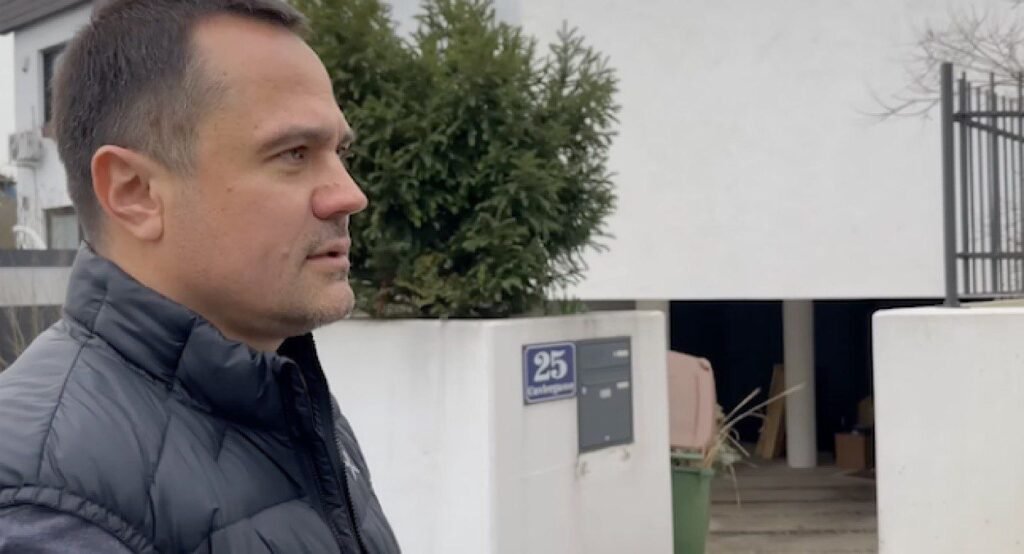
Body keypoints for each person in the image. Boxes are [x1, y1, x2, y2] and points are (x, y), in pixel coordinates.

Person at [0, 1, 400, 552]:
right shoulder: (48, 507)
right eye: (294, 153)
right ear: (134, 192)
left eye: (340, 151)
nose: (350, 195)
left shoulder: (281, 395)